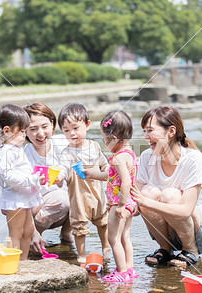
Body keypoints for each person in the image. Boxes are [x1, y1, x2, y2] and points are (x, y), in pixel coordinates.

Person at [130, 106, 202, 266]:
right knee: (148, 192)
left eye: (150, 130)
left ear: (171, 131)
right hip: (169, 231)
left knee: (169, 195)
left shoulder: (194, 159)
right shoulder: (146, 157)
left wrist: (145, 202)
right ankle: (165, 249)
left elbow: (186, 210)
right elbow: (136, 201)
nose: (145, 136)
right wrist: (119, 207)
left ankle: (191, 250)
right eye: (144, 131)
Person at [56, 103, 110, 264]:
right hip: (78, 198)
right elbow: (63, 169)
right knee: (79, 228)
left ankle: (106, 246)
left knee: (103, 222)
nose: (72, 133)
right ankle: (81, 253)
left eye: (75, 128)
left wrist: (107, 170)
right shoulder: (67, 152)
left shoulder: (94, 146)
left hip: (97, 193)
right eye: (66, 130)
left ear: (87, 125)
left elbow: (103, 163)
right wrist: (58, 176)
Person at [0, 104, 44, 261]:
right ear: (7, 130)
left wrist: (35, 177)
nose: (24, 135)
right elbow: (8, 176)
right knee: (16, 232)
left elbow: (21, 170)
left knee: (28, 231)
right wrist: (32, 179)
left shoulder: (14, 148)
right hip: (14, 199)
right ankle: (13, 264)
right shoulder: (5, 150)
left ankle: (23, 261)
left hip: (24, 197)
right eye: (21, 132)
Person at [23, 102, 72, 253]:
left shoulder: (64, 144)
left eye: (44, 126)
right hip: (36, 211)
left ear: (52, 124)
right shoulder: (24, 155)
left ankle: (67, 232)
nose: (40, 133)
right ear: (24, 131)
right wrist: (33, 230)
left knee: (85, 192)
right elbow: (22, 199)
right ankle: (33, 235)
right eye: (33, 129)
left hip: (66, 211)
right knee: (61, 197)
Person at [97, 111, 138, 283]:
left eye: (104, 139)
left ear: (114, 138)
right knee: (124, 237)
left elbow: (126, 182)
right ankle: (129, 269)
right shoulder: (129, 153)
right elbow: (113, 177)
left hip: (121, 204)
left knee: (113, 238)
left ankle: (121, 272)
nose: (105, 143)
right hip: (129, 203)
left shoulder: (119, 158)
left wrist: (120, 205)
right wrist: (92, 174)